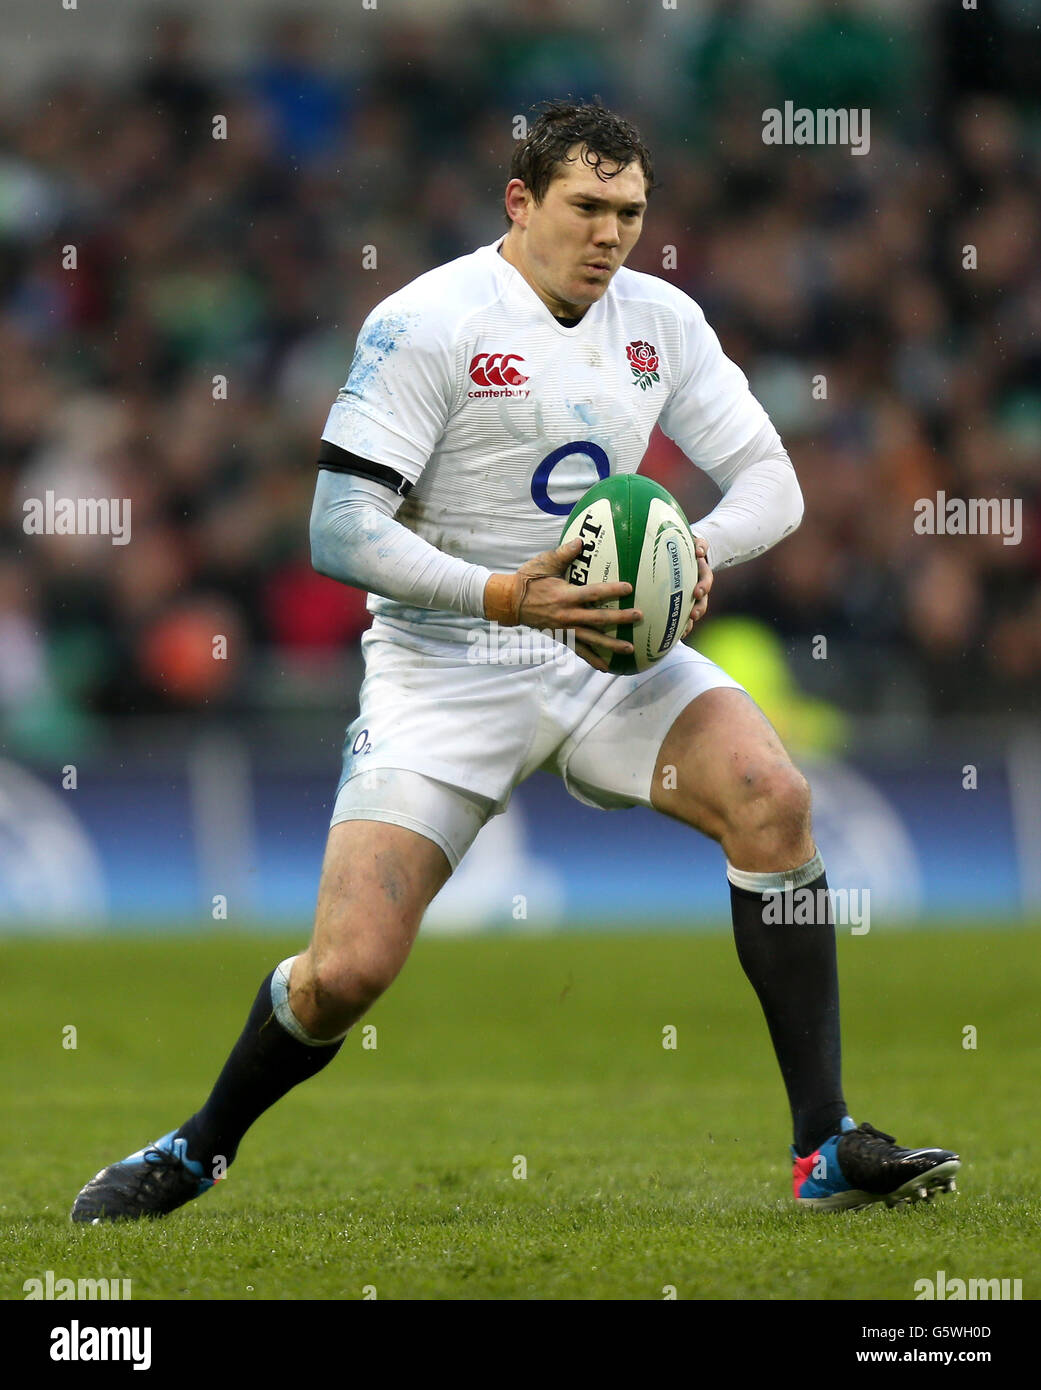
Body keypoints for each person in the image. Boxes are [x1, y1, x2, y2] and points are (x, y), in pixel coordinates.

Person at [72, 100, 958, 1223]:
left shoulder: (661, 320)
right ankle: (196, 1148)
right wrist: (503, 593)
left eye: (630, 212)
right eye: (586, 206)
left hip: (603, 652)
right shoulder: (427, 322)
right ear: (520, 201)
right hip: (445, 664)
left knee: (770, 796)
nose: (610, 234)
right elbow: (338, 530)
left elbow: (772, 484)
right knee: (345, 972)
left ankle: (823, 1144)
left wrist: (690, 553)